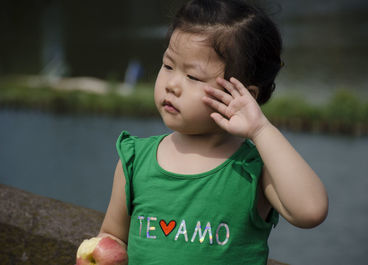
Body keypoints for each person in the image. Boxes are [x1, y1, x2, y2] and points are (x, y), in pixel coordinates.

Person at [76, 0, 328, 264]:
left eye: (193, 77)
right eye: (168, 65)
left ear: (242, 96)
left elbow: (310, 211)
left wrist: (260, 128)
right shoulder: (135, 160)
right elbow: (114, 236)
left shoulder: (253, 169)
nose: (172, 84)